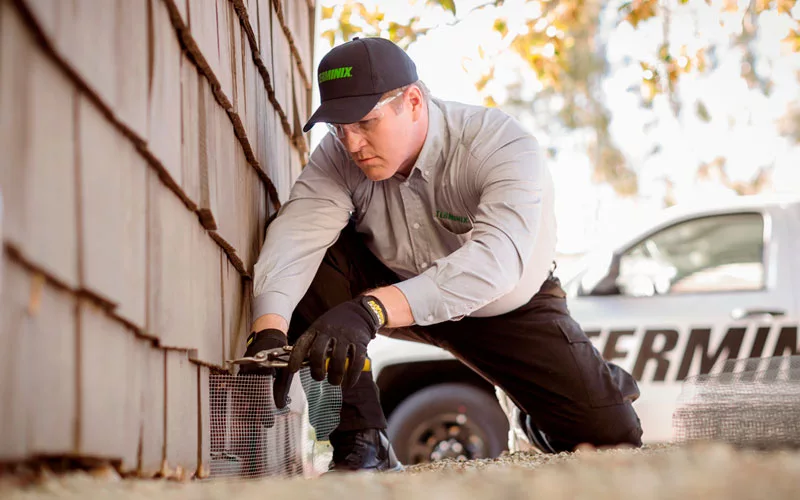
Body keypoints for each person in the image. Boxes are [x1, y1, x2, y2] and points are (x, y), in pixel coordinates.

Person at [239, 36, 643, 472]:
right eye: (340, 128)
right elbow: (298, 235)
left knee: (611, 437)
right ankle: (360, 442)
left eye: (365, 123)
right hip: (388, 284)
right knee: (310, 260)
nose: (352, 143)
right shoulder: (339, 155)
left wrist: (370, 311)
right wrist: (269, 331)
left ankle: (534, 405)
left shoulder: (500, 145)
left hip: (503, 308)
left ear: (412, 101)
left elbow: (495, 262)